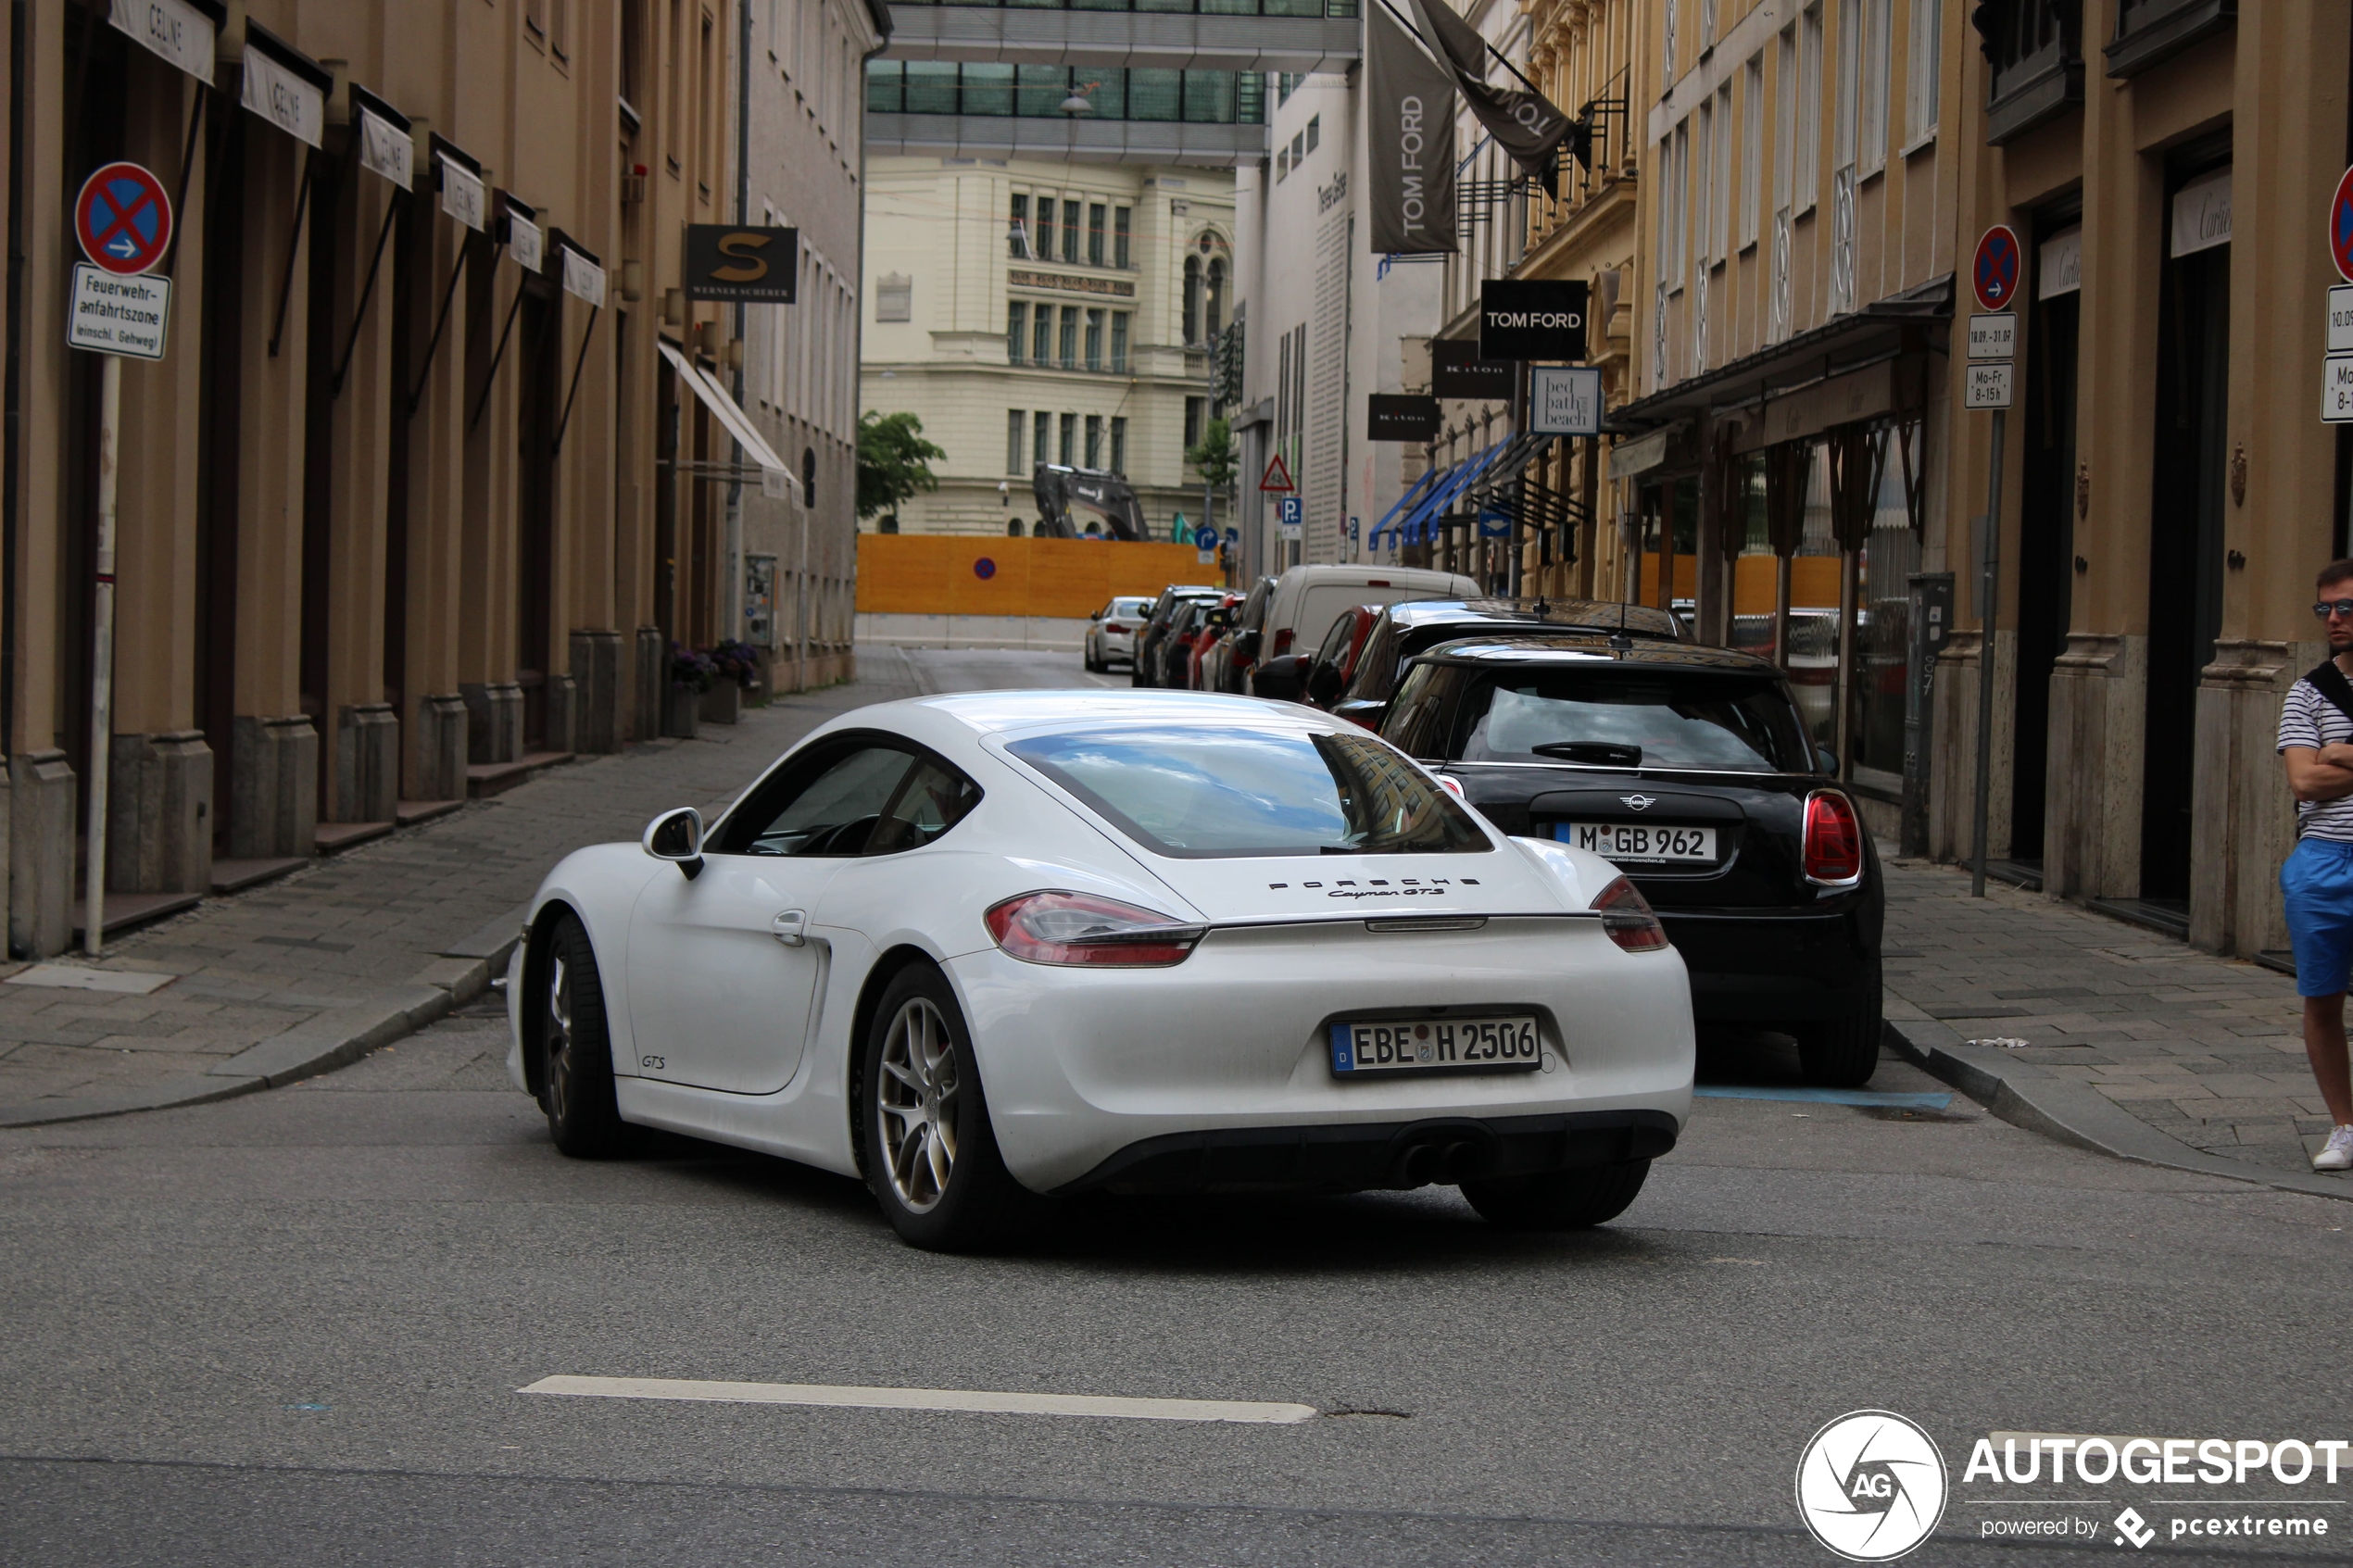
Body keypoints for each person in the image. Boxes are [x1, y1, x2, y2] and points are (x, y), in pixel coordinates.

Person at [2277, 559, 2353, 1170]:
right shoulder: (2307, 691)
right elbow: (2304, 779)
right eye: (2325, 608)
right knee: (2322, 996)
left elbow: (2326, 769)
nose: (2334, 618)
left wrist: (2345, 752)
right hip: (2323, 862)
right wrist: (2326, 762)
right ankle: (2345, 1124)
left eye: (2347, 607)